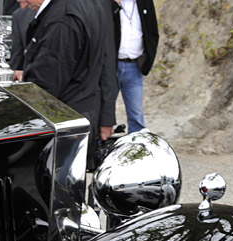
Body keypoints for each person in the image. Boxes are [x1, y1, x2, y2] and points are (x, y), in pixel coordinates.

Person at [22, 0, 115, 143]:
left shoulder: (62, 18)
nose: (23, 4)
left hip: (66, 122)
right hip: (83, 114)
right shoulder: (90, 4)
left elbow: (45, 85)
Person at [111, 0, 159, 132]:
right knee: (105, 111)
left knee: (136, 114)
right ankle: (99, 145)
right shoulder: (110, 3)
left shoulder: (145, 3)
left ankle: (136, 146)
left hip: (134, 67)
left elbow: (152, 31)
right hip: (111, 66)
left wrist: (147, 60)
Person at [9, 0, 35, 81]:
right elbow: (18, 46)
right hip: (31, 74)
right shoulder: (19, 15)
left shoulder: (63, 10)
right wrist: (17, 69)